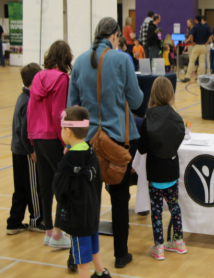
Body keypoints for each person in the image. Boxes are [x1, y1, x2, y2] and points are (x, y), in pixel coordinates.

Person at [68, 17, 144, 268]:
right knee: (120, 198)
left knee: (84, 200)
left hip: (87, 141)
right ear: (114, 36)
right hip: (119, 140)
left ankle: (75, 256)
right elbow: (136, 102)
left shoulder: (79, 61)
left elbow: (72, 107)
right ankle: (121, 254)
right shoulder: (122, 59)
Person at [54, 107, 112, 278]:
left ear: (68, 131)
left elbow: (60, 191)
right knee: (94, 246)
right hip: (92, 212)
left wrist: (57, 224)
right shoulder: (91, 151)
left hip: (78, 218)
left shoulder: (68, 161)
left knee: (82, 262)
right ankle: (101, 273)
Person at [27, 40, 72, 250]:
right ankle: (58, 233)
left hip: (37, 137)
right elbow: (58, 113)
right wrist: (66, 141)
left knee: (45, 186)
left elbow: (30, 111)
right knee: (62, 185)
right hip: (54, 138)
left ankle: (48, 231)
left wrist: (31, 139)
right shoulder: (63, 79)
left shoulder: (37, 77)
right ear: (66, 57)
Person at [137, 76, 187, 260]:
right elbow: (179, 139)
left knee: (156, 209)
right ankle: (179, 241)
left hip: (156, 172)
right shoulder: (177, 117)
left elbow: (142, 148)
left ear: (153, 93)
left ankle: (159, 247)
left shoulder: (148, 118)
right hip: (172, 170)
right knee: (174, 206)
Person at [6, 63, 44, 235]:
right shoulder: (28, 101)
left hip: (17, 151)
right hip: (25, 152)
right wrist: (33, 152)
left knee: (20, 188)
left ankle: (14, 222)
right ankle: (36, 219)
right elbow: (24, 133)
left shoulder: (22, 97)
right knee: (33, 188)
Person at [180, 15, 212, 83]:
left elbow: (191, 35)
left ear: (196, 20)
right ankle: (200, 76)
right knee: (202, 62)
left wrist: (192, 42)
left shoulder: (195, 27)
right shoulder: (205, 27)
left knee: (192, 61)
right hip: (203, 46)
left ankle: (187, 76)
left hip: (197, 45)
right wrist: (207, 42)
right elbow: (211, 35)